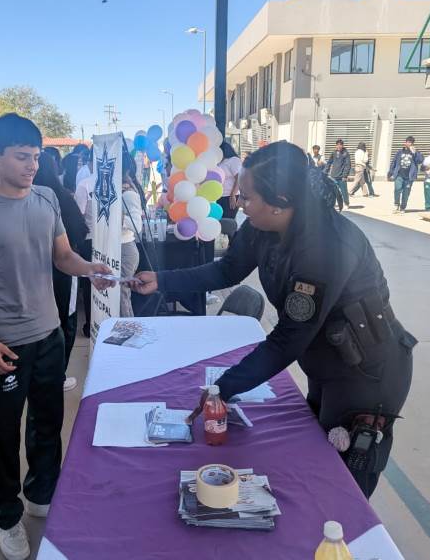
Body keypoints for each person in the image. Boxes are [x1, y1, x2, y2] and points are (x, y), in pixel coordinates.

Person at [132, 141, 415, 498]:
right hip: (326, 361)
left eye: (247, 197)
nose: (239, 203)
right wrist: (163, 280)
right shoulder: (262, 225)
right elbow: (227, 269)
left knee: (343, 485)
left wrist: (224, 387)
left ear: (280, 201)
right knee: (317, 459)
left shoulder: (325, 248)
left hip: (366, 374)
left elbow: (286, 341)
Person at [0, 113, 113, 560]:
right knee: (2, 438)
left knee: (48, 424)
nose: (31, 165)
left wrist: (89, 269)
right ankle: (7, 516)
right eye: (22, 157)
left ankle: (42, 492)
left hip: (49, 339)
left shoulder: (46, 198)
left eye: (36, 156)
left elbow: (62, 257)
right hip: (3, 343)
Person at [34, 150, 89, 392]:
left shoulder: (36, 198)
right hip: (61, 275)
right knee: (64, 320)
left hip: (35, 277)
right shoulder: (59, 197)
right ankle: (58, 375)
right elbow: (79, 230)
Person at [75, 149, 96, 337]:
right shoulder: (120, 182)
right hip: (115, 241)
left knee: (91, 284)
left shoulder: (84, 185)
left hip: (90, 240)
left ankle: (91, 324)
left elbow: (78, 217)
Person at [120, 150, 144, 317]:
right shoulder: (118, 190)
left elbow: (137, 225)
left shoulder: (128, 193)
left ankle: (129, 335)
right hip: (117, 248)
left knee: (122, 297)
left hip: (125, 249)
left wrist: (118, 218)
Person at [387, 136, 423, 214]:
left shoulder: (416, 152)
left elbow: (420, 161)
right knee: (397, 189)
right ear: (405, 142)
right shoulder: (400, 152)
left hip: (409, 177)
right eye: (408, 142)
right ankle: (396, 205)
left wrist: (415, 153)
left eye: (411, 142)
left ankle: (403, 207)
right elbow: (394, 162)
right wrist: (390, 172)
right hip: (399, 175)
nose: (409, 144)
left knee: (406, 192)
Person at [217, 141, 242, 220]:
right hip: (219, 196)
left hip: (230, 196)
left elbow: (239, 178)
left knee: (228, 221)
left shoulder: (233, 160)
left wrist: (233, 195)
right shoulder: (219, 162)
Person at [325, 139, 351, 210]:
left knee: (344, 191)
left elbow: (348, 165)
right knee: (333, 192)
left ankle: (346, 203)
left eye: (340, 145)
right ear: (336, 145)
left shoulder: (346, 153)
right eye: (337, 145)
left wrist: (345, 175)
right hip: (333, 176)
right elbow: (329, 162)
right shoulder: (334, 153)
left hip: (342, 177)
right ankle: (332, 204)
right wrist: (325, 172)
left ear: (342, 145)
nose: (339, 146)